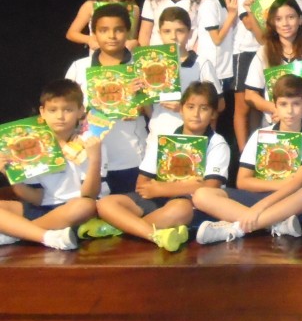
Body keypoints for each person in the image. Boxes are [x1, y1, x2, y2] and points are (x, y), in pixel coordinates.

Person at [91, 82, 229, 252]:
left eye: (204, 108)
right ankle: (154, 233)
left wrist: (162, 188)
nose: (196, 114)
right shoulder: (164, 140)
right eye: (190, 107)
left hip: (189, 203)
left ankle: (121, 228)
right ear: (181, 109)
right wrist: (190, 184)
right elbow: (142, 184)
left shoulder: (217, 143)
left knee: (180, 210)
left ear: (213, 114)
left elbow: (210, 187)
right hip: (156, 201)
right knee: (105, 203)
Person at [193, 75, 302, 244]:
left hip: (289, 199)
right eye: (284, 104)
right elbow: (242, 181)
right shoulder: (259, 135)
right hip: (258, 196)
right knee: (201, 195)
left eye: (296, 104)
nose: (290, 111)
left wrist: (258, 209)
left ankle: (237, 228)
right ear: (275, 105)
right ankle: (274, 224)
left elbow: (298, 183)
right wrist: (275, 189)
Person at [0, 80, 99, 250]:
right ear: (42, 112)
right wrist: (9, 175)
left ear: (80, 111)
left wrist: (96, 159)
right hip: (41, 208)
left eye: (68, 110)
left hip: (71, 209)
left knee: (85, 206)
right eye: (53, 110)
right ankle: (47, 236)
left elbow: (89, 194)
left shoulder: (90, 142)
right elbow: (36, 198)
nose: (60, 116)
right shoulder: (32, 145)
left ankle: (17, 233)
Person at [65, 3, 147, 195]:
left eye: (118, 30)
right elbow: (65, 111)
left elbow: (156, 111)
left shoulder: (142, 66)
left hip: (131, 158)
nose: (111, 36)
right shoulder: (79, 67)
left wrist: (139, 101)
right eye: (103, 30)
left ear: (127, 32)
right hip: (87, 160)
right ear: (94, 33)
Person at [145, 7, 222, 155]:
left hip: (192, 139)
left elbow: (219, 103)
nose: (173, 37)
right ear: (159, 33)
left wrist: (184, 107)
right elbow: (149, 107)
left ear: (190, 33)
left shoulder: (201, 63)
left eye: (180, 31)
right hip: (157, 136)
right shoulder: (150, 65)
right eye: (167, 31)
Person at [244, 0, 302, 126]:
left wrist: (298, 112)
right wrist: (277, 110)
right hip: (274, 122)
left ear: (300, 19)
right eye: (278, 19)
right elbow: (250, 95)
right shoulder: (263, 53)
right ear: (272, 23)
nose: (285, 23)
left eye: (291, 17)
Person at [232, 0, 272, 153]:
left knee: (259, 104)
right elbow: (248, 23)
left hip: (267, 51)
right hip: (246, 52)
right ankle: (243, 155)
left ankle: (256, 150)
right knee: (243, 106)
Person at [195, 0, 238, 99]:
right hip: (214, 70)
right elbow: (217, 39)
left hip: (230, 66)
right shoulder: (209, 3)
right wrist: (231, 15)